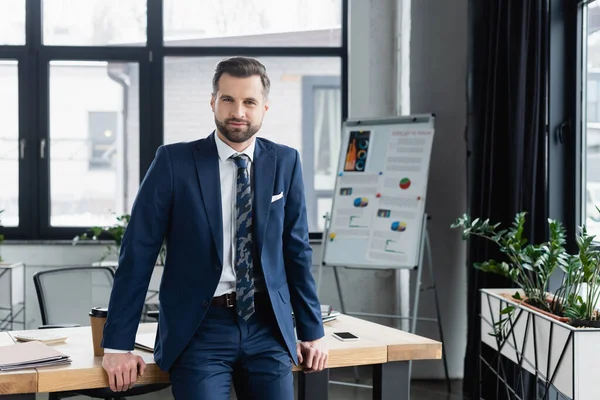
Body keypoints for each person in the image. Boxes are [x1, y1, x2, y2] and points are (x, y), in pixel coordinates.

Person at [99, 56, 328, 399]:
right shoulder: (173, 162)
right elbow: (138, 252)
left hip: (268, 327)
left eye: (249, 102)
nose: (239, 111)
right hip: (200, 329)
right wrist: (117, 344)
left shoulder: (285, 161)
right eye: (228, 99)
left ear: (264, 107)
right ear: (213, 102)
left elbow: (297, 250)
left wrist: (312, 329)